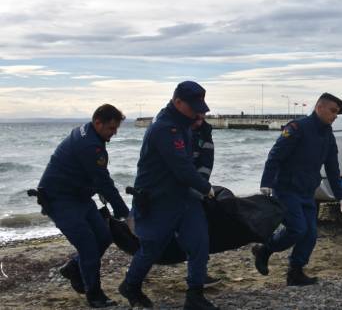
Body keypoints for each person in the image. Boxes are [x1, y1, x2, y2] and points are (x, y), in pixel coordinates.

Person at [119, 81, 218, 310]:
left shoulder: (183, 123)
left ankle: (195, 295)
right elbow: (182, 167)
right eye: (193, 107)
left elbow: (190, 163)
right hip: (157, 199)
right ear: (177, 102)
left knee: (199, 241)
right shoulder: (165, 128)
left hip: (184, 196)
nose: (198, 112)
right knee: (152, 247)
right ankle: (130, 285)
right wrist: (206, 188)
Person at [37, 104, 129, 308]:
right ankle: (94, 295)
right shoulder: (89, 145)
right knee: (88, 246)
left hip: (79, 197)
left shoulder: (90, 133)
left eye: (116, 129)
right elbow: (104, 182)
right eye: (111, 128)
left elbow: (97, 179)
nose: (114, 133)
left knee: (104, 237)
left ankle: (73, 268)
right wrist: (125, 213)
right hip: (59, 199)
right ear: (98, 122)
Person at [252, 92, 342, 286]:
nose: (335, 116)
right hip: (286, 189)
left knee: (310, 234)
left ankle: (295, 273)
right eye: (333, 111)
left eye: (337, 113)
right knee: (297, 229)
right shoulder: (297, 128)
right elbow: (275, 155)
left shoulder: (328, 134)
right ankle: (265, 249)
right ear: (319, 107)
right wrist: (266, 183)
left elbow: (332, 166)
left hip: (307, 192)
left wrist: (340, 195)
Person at [191, 116, 220, 287]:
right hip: (173, 192)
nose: (199, 120)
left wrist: (201, 187)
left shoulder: (205, 133)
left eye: (202, 116)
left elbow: (206, 163)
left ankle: (199, 276)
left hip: (195, 190)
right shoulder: (175, 130)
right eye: (196, 116)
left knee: (199, 234)